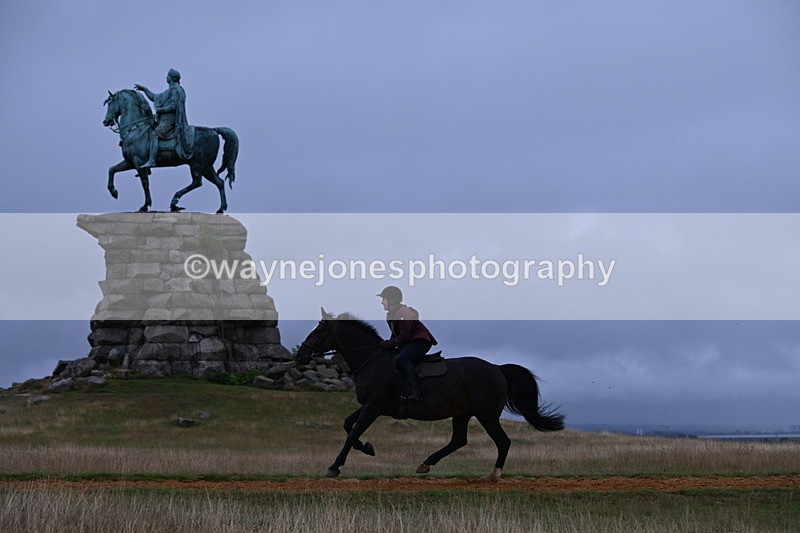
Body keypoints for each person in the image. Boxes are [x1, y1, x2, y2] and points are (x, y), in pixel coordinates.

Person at [377, 286, 437, 402]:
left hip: (420, 341)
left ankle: (415, 392)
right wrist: (387, 345)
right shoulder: (391, 314)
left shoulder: (404, 312)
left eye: (384, 299)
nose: (382, 302)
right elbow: (395, 335)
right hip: (409, 342)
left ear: (392, 300)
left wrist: (389, 344)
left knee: (402, 359)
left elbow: (404, 336)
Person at [134, 68, 194, 167]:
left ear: (171, 77)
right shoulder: (169, 90)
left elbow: (174, 105)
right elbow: (154, 97)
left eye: (167, 75)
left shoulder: (176, 89)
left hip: (170, 122)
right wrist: (144, 89)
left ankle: (152, 160)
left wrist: (162, 110)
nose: (166, 77)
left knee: (154, 134)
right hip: (163, 121)